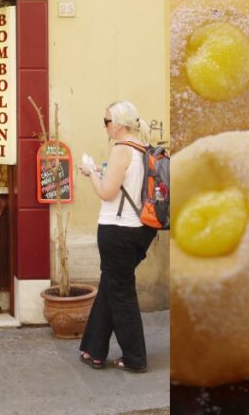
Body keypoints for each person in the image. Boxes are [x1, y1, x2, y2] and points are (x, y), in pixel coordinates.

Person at [77, 100, 158, 372]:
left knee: (120, 293)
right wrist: (101, 173)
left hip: (117, 231)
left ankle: (135, 359)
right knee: (111, 287)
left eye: (107, 121)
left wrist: (90, 173)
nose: (105, 127)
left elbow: (107, 193)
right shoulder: (143, 148)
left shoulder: (122, 150)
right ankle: (94, 351)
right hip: (141, 230)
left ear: (120, 125)